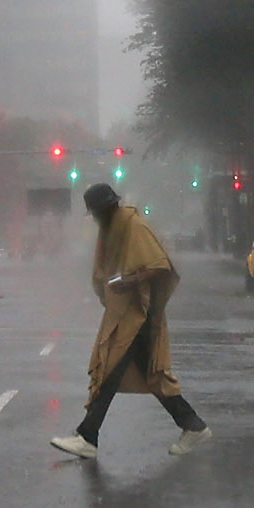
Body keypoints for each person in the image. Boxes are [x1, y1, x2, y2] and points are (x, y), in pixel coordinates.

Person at [50, 182, 209, 460]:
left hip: (140, 316)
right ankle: (192, 425)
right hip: (125, 315)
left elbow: (161, 267)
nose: (97, 219)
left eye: (98, 213)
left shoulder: (134, 227)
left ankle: (88, 436)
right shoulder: (112, 230)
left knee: (110, 371)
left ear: (109, 208)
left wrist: (129, 281)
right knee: (150, 376)